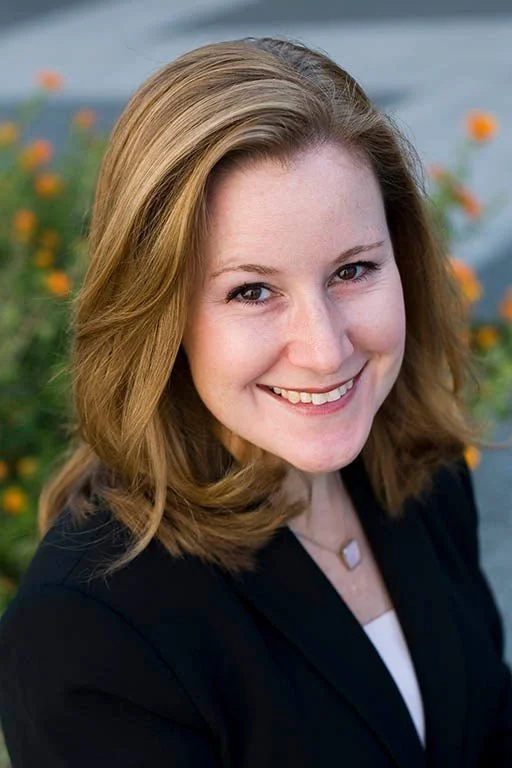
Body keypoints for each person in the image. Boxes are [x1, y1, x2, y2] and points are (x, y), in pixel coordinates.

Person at [0, 36, 510, 767]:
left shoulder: (420, 472)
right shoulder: (89, 633)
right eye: (252, 291)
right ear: (159, 314)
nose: (325, 350)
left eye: (353, 270)